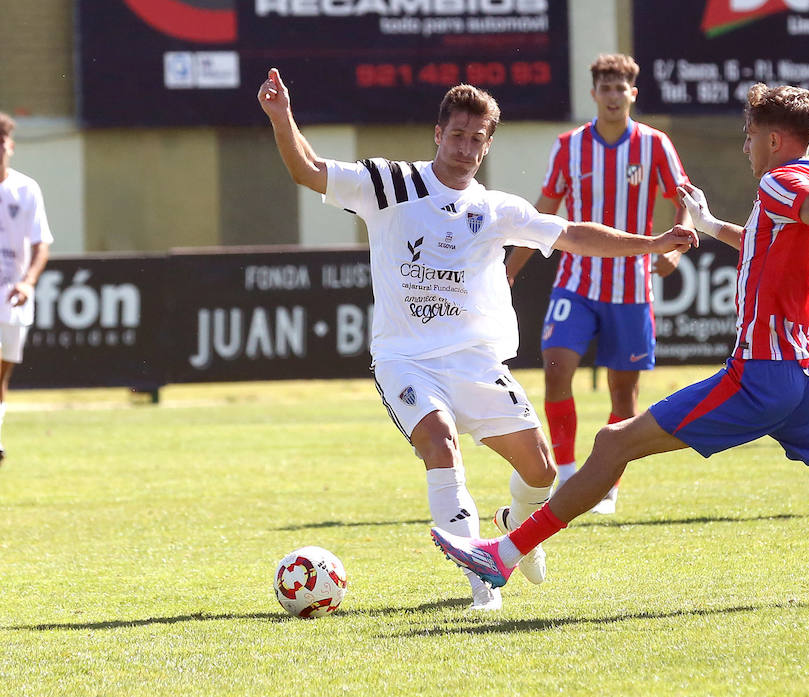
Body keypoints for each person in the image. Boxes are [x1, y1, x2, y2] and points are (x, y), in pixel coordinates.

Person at [432, 84, 809, 599]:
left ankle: (503, 556)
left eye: (750, 135)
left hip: (764, 372)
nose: (744, 146)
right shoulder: (790, 192)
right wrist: (711, 226)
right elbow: (770, 242)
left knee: (612, 443)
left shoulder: (786, 180)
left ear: (773, 141)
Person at [257, 69, 696, 610]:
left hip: (475, 362)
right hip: (406, 360)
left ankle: (514, 524)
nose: (465, 148)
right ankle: (482, 582)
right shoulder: (388, 184)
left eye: (477, 138)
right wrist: (283, 118)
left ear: (488, 145)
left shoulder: (496, 209)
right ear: (438, 134)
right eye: (457, 135)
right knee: (440, 446)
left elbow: (574, 234)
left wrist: (650, 243)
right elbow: (308, 170)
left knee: (540, 471)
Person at [505, 54, 691, 515]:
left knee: (623, 396)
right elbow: (544, 209)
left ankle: (605, 485)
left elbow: (682, 199)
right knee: (555, 367)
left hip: (631, 289)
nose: (612, 95)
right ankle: (567, 474)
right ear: (593, 94)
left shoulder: (655, 145)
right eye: (604, 88)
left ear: (633, 93)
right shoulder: (569, 146)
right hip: (577, 282)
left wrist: (674, 247)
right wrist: (509, 268)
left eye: (620, 87)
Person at [0, 112, 53, 462]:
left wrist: (28, 281)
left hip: (11, 297)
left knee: (1, 374)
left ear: (11, 147)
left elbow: (41, 244)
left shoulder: (26, 188)